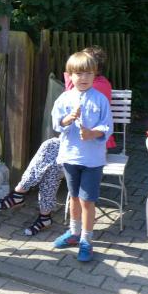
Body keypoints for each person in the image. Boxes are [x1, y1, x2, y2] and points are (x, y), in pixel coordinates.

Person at [0, 46, 116, 236]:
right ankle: (44, 215)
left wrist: (71, 81)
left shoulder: (98, 88)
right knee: (51, 163)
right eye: (78, 70)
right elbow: (63, 111)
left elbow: (94, 118)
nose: (82, 76)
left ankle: (20, 194)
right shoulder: (76, 90)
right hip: (72, 146)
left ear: (95, 69)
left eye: (86, 69)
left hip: (94, 145)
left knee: (49, 147)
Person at [50, 51, 113, 262]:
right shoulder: (64, 98)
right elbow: (56, 123)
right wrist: (67, 119)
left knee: (87, 200)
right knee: (74, 197)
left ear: (95, 74)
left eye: (88, 73)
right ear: (70, 75)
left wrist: (93, 133)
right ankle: (74, 233)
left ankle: (86, 239)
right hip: (70, 157)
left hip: (93, 160)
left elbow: (107, 126)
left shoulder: (100, 99)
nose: (83, 78)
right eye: (78, 73)